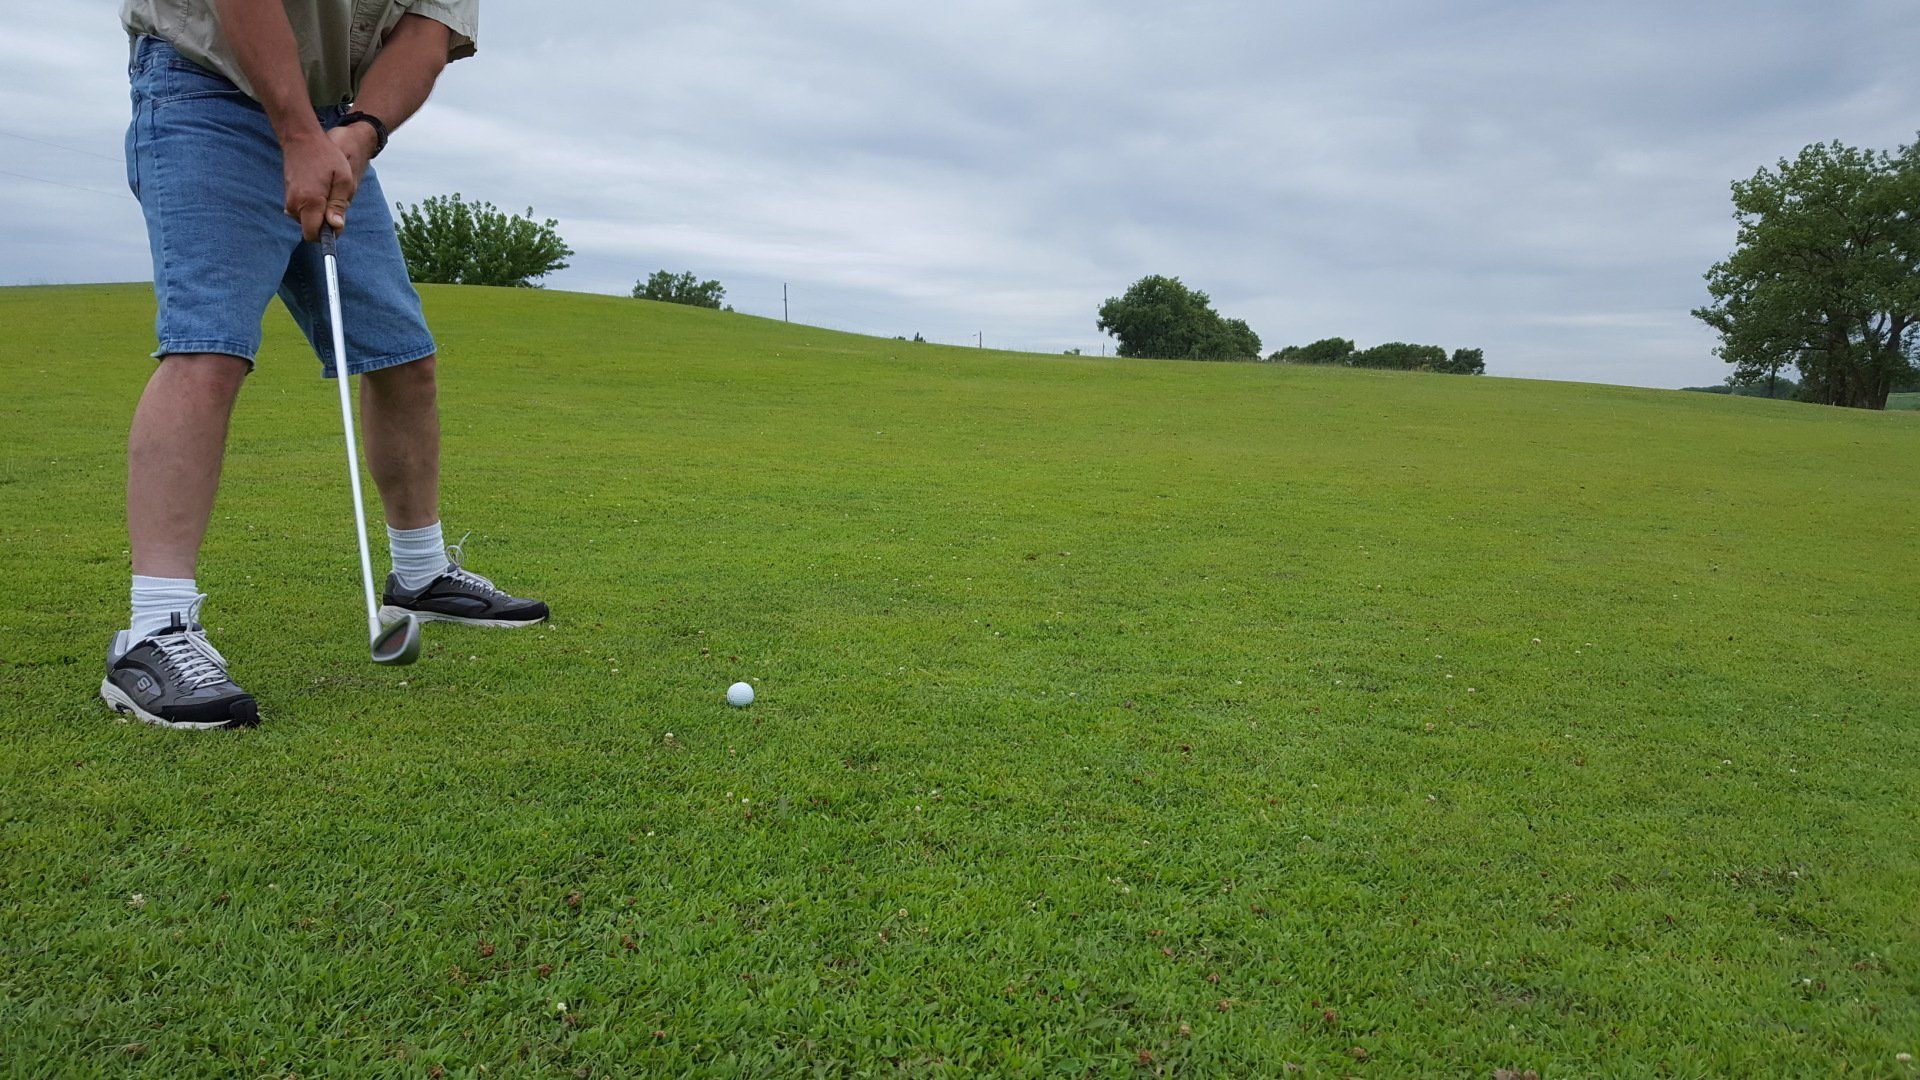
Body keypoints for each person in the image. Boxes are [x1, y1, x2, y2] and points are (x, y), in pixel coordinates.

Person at [105, 0, 548, 731]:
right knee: (208, 349)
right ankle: (154, 629)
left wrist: (359, 134)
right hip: (202, 90)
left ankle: (420, 574)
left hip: (335, 123)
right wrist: (295, 133)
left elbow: (427, 32)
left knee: (403, 358)